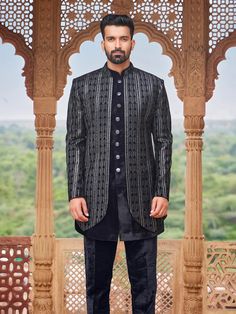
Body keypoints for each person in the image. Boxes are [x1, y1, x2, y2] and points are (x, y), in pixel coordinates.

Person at [66, 14, 172, 314]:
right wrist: (75, 193)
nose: (117, 44)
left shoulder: (153, 86)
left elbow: (163, 141)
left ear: (132, 43)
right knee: (96, 288)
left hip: (142, 201)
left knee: (145, 288)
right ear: (103, 44)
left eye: (123, 38)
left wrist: (162, 191)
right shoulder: (82, 87)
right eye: (111, 39)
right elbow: (75, 142)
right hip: (97, 202)